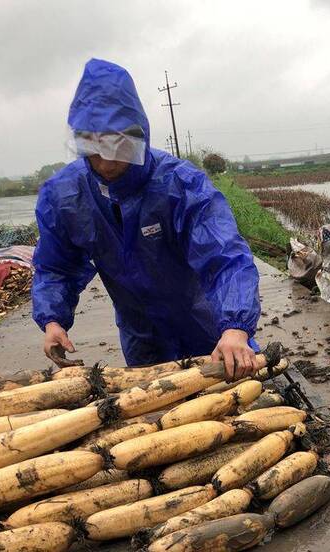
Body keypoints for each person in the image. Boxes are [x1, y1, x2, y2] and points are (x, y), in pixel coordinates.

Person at [32, 59, 261, 381]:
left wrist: (236, 327)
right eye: (94, 147)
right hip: (142, 337)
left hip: (209, 327)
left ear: (136, 135)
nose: (106, 160)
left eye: (116, 145)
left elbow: (225, 258)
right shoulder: (65, 196)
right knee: (154, 413)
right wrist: (53, 321)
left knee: (237, 396)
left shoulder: (182, 185)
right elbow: (57, 267)